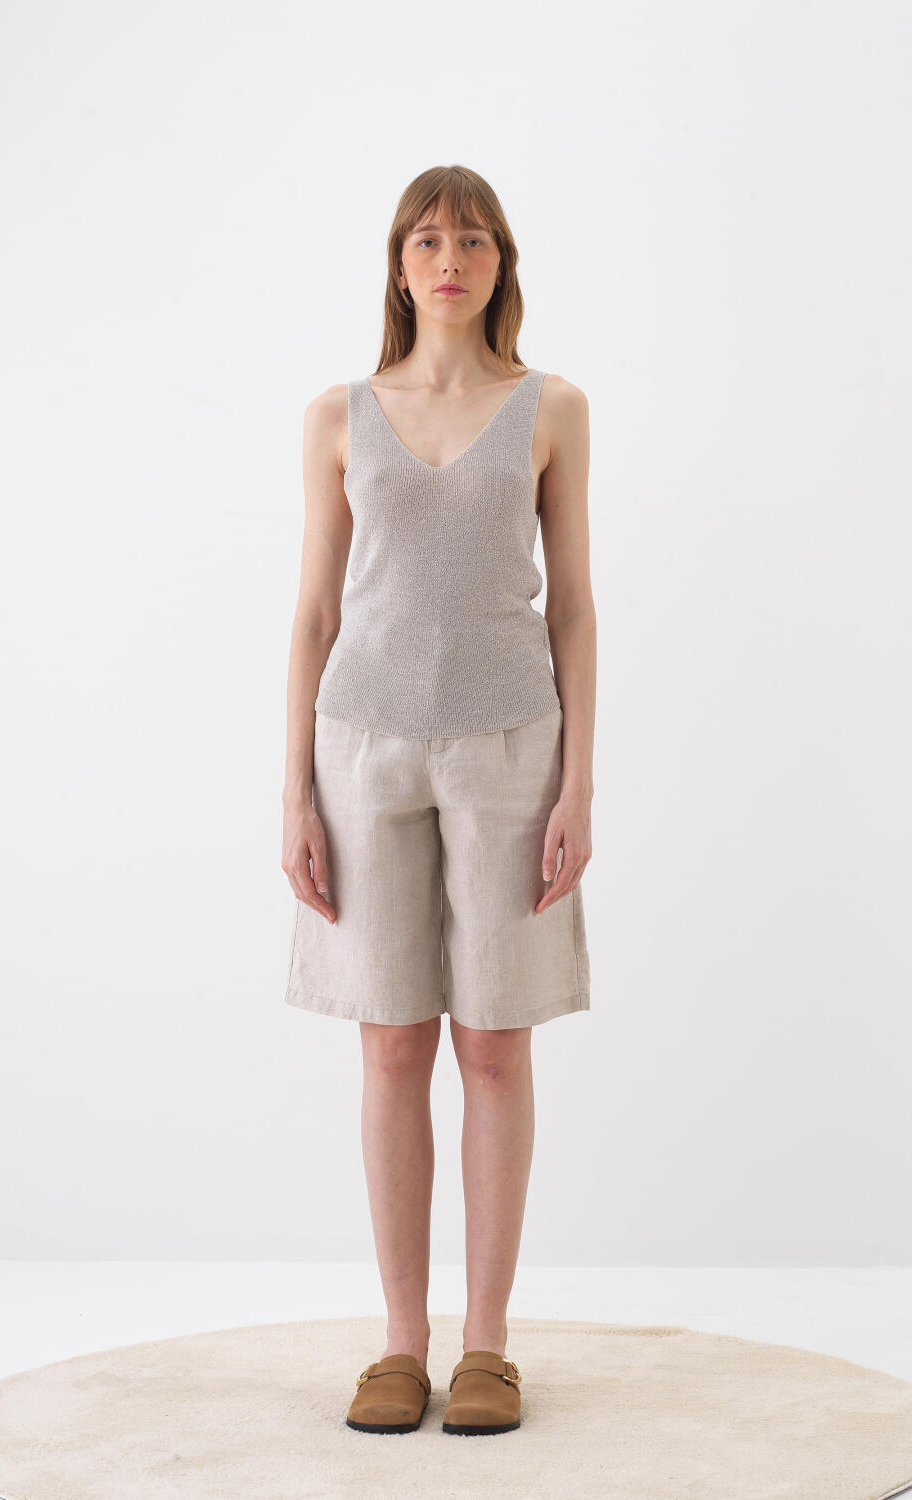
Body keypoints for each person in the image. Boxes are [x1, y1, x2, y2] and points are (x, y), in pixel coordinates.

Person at [281, 163, 596, 1435]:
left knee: (496, 1043)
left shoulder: (552, 407)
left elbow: (574, 609)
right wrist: (294, 791)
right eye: (427, 241)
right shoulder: (338, 415)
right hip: (362, 750)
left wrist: (581, 781)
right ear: (399, 267)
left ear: (500, 262)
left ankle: (488, 1348)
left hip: (511, 750)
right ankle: (401, 1344)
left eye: (471, 240)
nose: (449, 260)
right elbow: (313, 611)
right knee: (392, 1042)